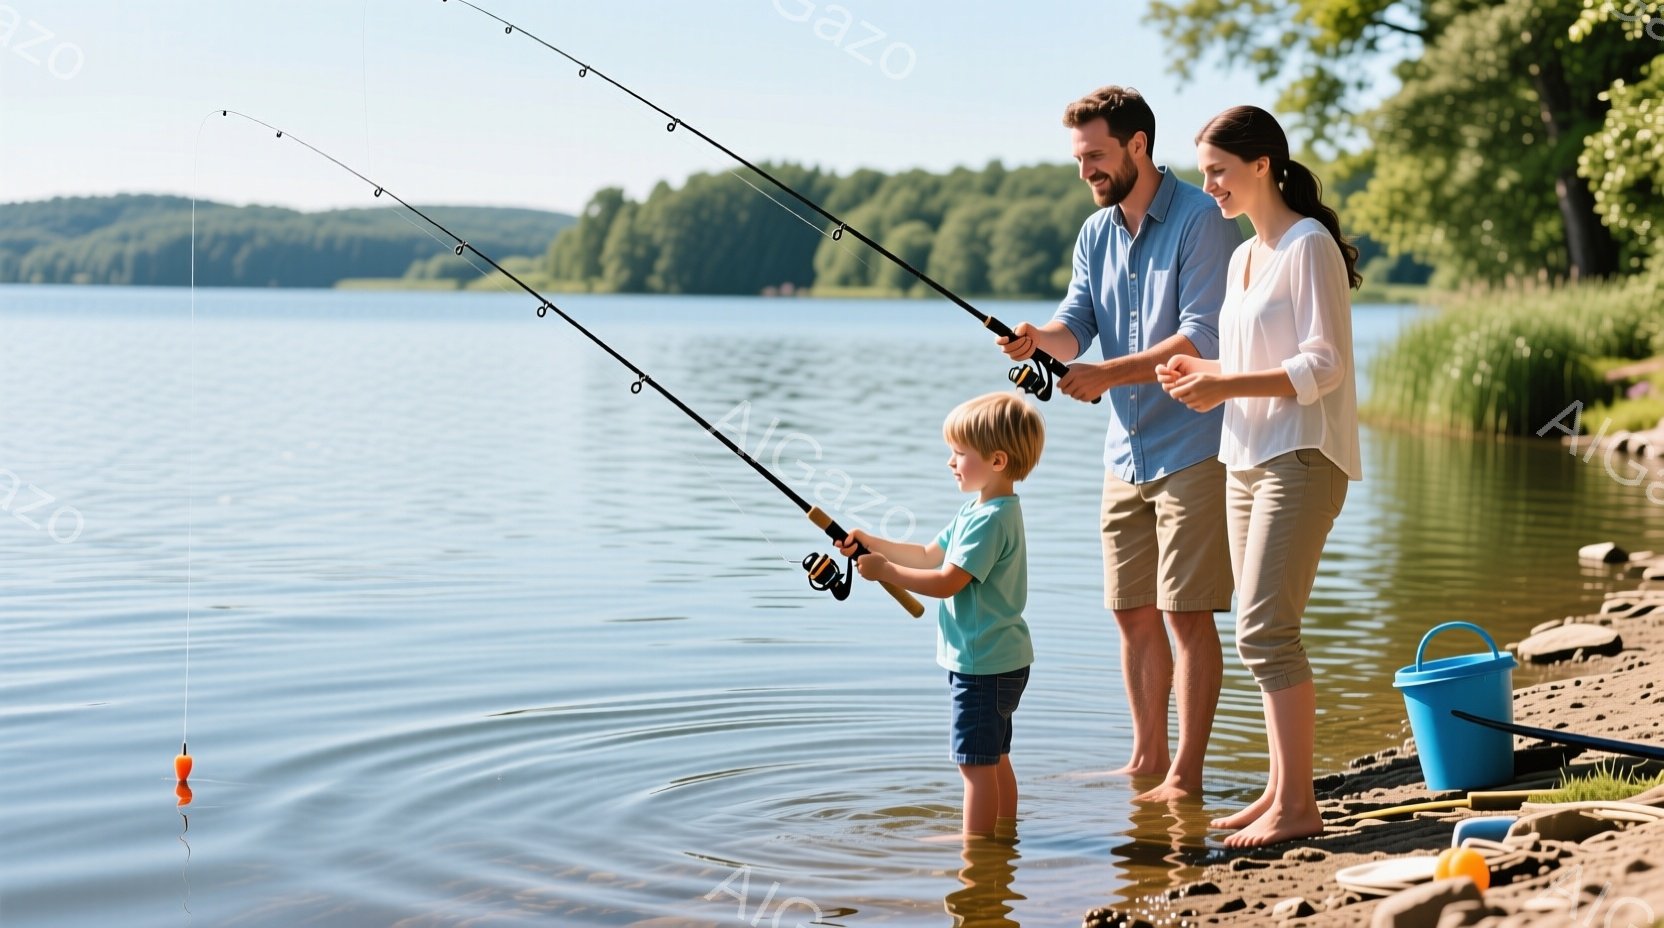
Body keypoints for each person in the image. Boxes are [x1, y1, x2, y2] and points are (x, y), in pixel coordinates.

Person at [998, 85, 1242, 802]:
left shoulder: (1202, 219)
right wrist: (1038, 338)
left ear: (1139, 145)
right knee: (1130, 612)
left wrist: (1106, 373)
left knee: (1186, 614)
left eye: (1097, 156)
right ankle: (1146, 760)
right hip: (1124, 454)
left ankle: (1186, 775)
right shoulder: (1095, 232)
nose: (1087, 172)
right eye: (1079, 159)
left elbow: (1202, 337)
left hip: (1195, 445)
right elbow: (1077, 323)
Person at [1157, 105, 1363, 847]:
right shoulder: (1246, 255)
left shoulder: (1309, 246)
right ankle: (1279, 791)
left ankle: (1298, 806)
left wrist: (1224, 385)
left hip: (1301, 457)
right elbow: (1251, 360)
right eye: (1205, 172)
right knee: (1259, 635)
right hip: (1244, 460)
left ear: (1261, 165)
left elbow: (1323, 364)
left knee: (1266, 630)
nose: (1209, 185)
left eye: (1218, 171)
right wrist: (1202, 371)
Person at [837, 391, 1046, 838]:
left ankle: (976, 850)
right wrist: (871, 543)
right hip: (999, 659)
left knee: (975, 767)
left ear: (997, 460)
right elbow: (928, 554)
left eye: (959, 453)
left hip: (982, 663)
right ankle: (1004, 836)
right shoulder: (981, 510)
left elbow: (948, 581)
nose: (951, 462)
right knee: (995, 758)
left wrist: (886, 572)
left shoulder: (989, 521)